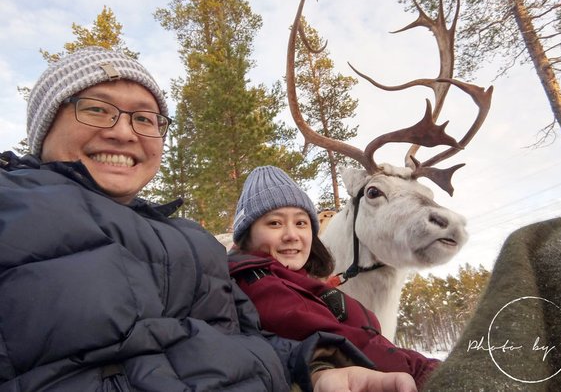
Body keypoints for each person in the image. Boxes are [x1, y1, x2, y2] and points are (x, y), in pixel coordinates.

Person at [0, 46, 418, 392]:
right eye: (95, 109)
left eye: (144, 118)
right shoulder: (11, 210)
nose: (124, 132)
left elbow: (248, 342)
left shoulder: (193, 242)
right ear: (43, 126)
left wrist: (316, 369)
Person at [228, 166, 441, 391]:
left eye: (301, 223)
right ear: (246, 235)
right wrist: (422, 368)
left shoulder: (298, 281)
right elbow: (346, 340)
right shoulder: (258, 281)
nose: (292, 235)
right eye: (274, 223)